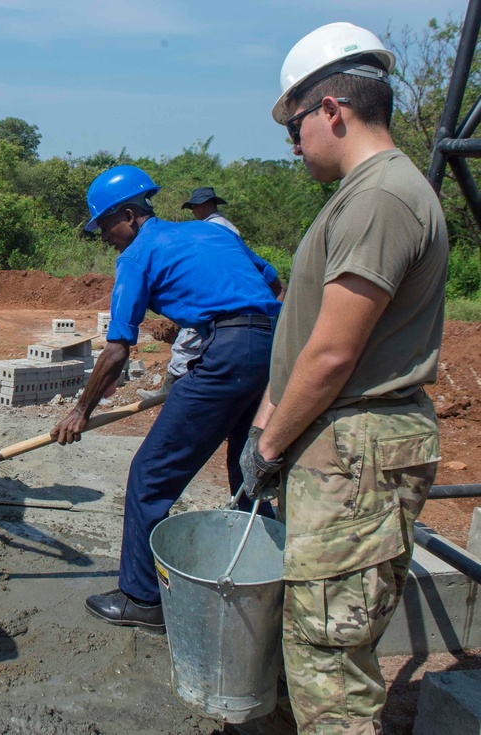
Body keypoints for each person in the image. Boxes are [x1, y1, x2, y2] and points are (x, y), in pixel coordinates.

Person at [238, 22, 448, 734]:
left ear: (331, 109)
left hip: (356, 449)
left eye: (295, 126)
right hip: (334, 446)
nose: (294, 145)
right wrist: (269, 424)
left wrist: (267, 446)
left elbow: (332, 354)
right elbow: (304, 340)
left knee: (331, 663)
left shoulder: (382, 197)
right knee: (309, 636)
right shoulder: (363, 194)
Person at [51, 165, 282, 632]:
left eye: (105, 229)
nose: (105, 240)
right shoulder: (209, 233)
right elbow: (271, 283)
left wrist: (81, 410)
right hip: (274, 348)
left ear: (130, 216)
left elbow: (117, 349)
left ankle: (141, 599)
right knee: (247, 470)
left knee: (150, 473)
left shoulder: (138, 254)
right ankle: (266, 579)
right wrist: (219, 348)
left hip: (230, 354)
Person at [141, 187, 284, 396]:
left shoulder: (214, 228)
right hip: (234, 301)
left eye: (194, 208)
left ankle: (170, 393)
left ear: (204, 205)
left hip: (218, 301)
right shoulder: (223, 226)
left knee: (186, 345)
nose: (193, 213)